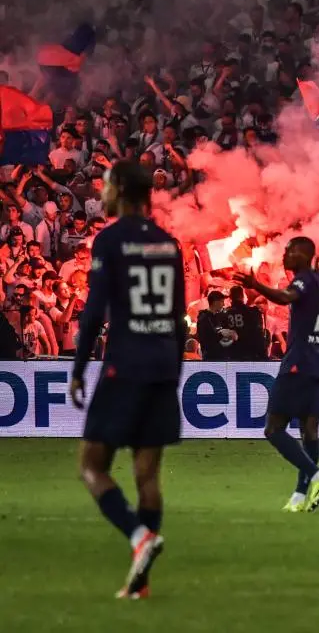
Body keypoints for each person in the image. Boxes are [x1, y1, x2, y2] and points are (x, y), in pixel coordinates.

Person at [67, 161, 187, 600]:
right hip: (161, 366)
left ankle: (139, 536)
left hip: (124, 367)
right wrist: (175, 373)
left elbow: (95, 311)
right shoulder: (169, 245)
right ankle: (142, 584)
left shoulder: (111, 240)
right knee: (147, 475)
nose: (102, 191)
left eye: (105, 184)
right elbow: (179, 320)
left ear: (120, 189)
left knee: (91, 465)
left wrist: (79, 368)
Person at [235, 237, 319, 514]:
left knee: (273, 428)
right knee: (309, 430)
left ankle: (318, 476)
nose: (284, 255)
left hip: (298, 363)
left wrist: (256, 285)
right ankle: (300, 496)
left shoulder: (304, 280)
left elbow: (286, 297)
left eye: (289, 251)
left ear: (303, 255)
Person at [226, 285, 267, 361]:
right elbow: (258, 334)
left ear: (230, 297)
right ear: (242, 296)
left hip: (231, 354)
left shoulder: (225, 313)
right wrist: (263, 355)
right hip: (249, 353)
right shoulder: (252, 311)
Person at [196, 291, 233, 360]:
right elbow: (206, 341)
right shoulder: (204, 319)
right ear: (215, 302)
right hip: (211, 359)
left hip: (221, 358)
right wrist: (222, 334)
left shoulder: (218, 317)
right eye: (222, 301)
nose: (224, 304)